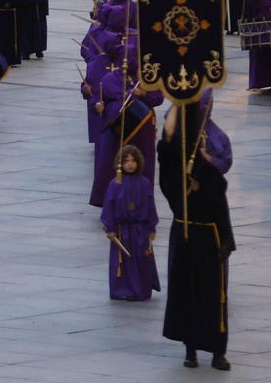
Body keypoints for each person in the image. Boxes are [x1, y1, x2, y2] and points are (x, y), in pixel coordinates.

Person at [157, 100, 234, 370]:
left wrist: (226, 240)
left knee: (215, 295)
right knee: (186, 293)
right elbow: (166, 146)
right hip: (186, 232)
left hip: (210, 236)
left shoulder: (213, 161)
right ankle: (190, 350)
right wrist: (176, 104)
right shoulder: (175, 164)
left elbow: (220, 199)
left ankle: (217, 352)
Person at [100, 144, 160, 301]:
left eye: (133, 160)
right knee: (125, 261)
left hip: (140, 229)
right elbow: (109, 206)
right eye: (126, 161)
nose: (130, 164)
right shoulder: (115, 184)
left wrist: (151, 227)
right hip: (122, 230)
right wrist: (110, 228)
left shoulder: (145, 183)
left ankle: (141, 289)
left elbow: (150, 205)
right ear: (120, 163)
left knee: (140, 260)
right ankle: (124, 290)